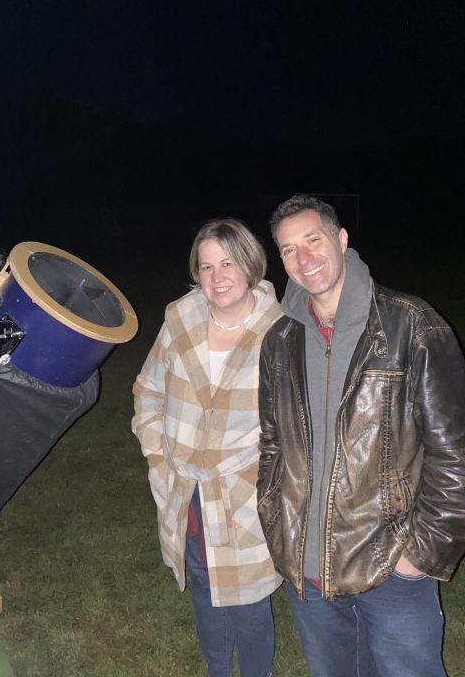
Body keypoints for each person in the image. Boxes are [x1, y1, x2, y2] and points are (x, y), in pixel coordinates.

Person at [257, 194, 465, 677]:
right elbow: (271, 444)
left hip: (392, 565)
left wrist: (421, 554)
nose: (303, 258)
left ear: (342, 239)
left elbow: (454, 455)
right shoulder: (280, 341)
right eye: (289, 249)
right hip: (308, 568)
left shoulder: (410, 325)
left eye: (313, 240)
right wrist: (276, 520)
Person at [132, 218, 283, 677]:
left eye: (228, 263)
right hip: (185, 489)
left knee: (249, 601)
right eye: (207, 266)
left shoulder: (280, 331)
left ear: (250, 265)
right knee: (202, 584)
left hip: (245, 495)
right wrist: (158, 455)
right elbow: (149, 389)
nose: (217, 277)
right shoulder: (180, 320)